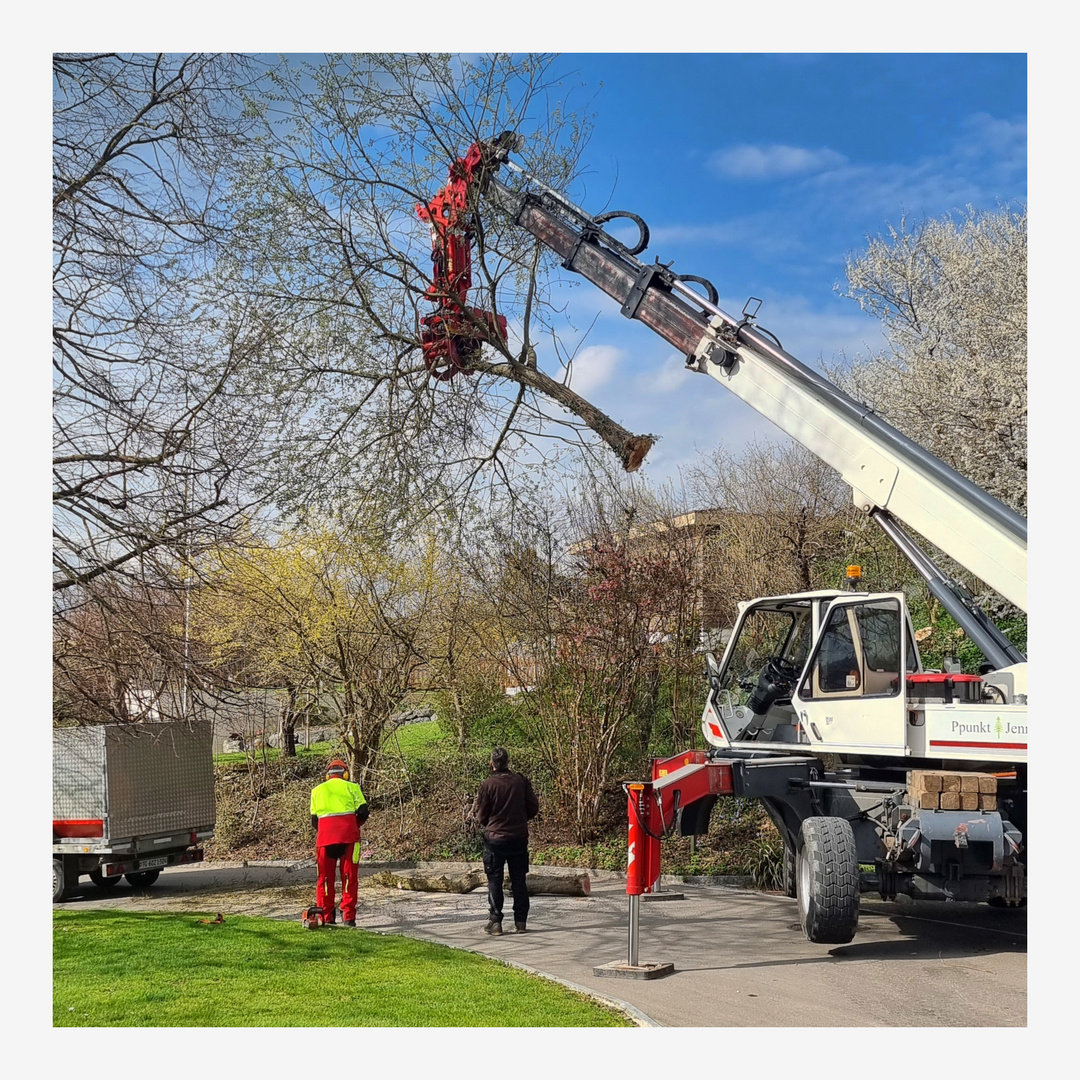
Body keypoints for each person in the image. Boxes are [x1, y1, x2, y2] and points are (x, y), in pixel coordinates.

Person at [471, 747, 539, 936]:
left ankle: (495, 921)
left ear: (491, 764)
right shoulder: (521, 781)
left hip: (495, 840)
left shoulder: (488, 785)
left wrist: (490, 823)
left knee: (495, 880)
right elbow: (533, 807)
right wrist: (520, 818)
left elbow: (481, 815)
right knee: (519, 880)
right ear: (508, 762)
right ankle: (520, 921)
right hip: (518, 838)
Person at [310, 759, 369, 927]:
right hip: (349, 838)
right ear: (345, 774)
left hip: (324, 840)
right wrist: (353, 825)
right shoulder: (353, 788)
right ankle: (348, 917)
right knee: (350, 878)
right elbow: (364, 812)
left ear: (327, 775)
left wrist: (327, 831)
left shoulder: (317, 791)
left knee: (324, 880)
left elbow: (314, 820)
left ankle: (326, 917)